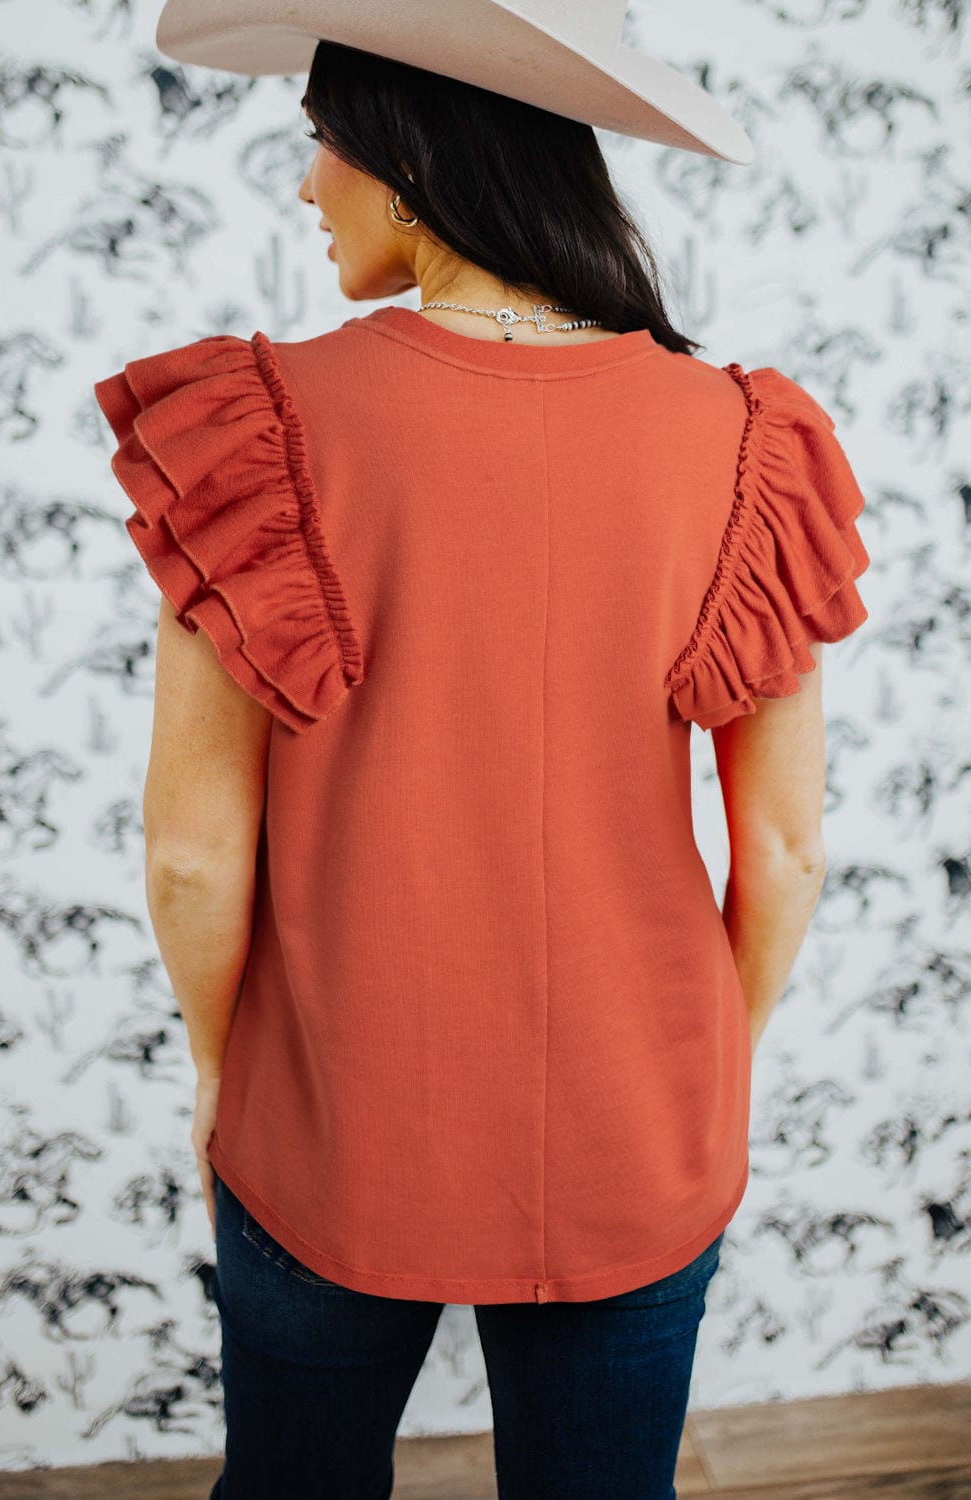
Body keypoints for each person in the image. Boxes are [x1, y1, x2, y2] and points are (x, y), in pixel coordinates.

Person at [92, 7, 870, 1498]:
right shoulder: (746, 439)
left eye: (316, 143)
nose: (305, 185)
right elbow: (783, 847)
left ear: (400, 162)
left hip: (327, 1113)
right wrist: (707, 1062)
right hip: (640, 1122)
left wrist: (219, 1068)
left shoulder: (255, 429)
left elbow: (194, 852)